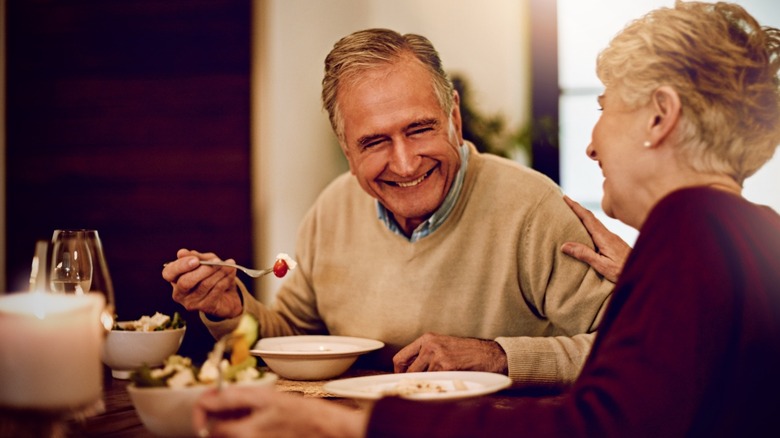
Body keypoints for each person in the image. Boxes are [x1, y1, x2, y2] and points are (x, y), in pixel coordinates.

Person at [191, 2, 780, 436]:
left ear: (659, 118)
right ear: (345, 145)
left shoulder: (687, 236)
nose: (591, 145)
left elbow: (593, 424)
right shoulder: (747, 234)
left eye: (603, 108)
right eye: (375, 141)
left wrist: (347, 426)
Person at [162, 28, 616, 386]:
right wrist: (230, 309)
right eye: (375, 141)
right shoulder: (332, 209)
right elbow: (297, 341)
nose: (404, 163)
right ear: (345, 146)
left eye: (419, 129)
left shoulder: (534, 209)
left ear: (454, 117)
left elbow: (633, 348)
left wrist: (497, 356)